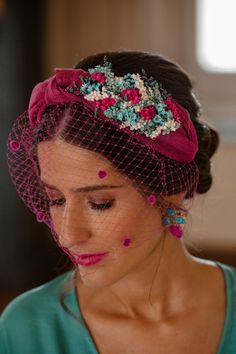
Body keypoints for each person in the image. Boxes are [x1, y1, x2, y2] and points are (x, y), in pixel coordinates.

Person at [1, 51, 236, 354]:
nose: (68, 235)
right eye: (56, 199)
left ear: (172, 188)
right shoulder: (27, 329)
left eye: (99, 202)